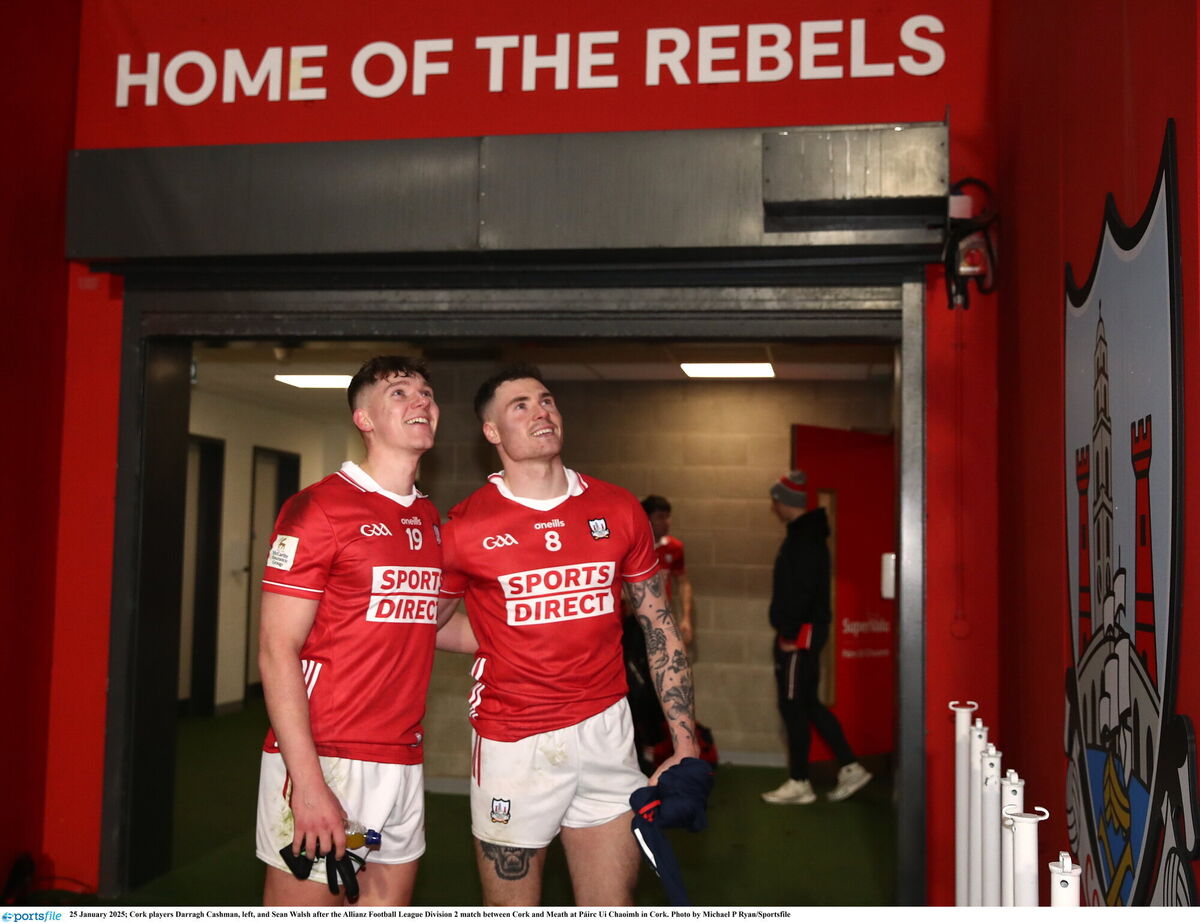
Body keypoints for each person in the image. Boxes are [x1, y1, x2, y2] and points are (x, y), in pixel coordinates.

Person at [438, 363, 698, 906]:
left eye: (547, 400)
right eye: (521, 406)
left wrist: (685, 740)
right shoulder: (465, 527)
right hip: (515, 740)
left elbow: (658, 625)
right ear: (492, 433)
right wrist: (501, 639)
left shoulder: (617, 508)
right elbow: (426, 625)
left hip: (607, 731)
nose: (542, 412)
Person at [254, 356, 452, 906]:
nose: (421, 402)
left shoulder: (431, 520)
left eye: (427, 393)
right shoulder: (318, 508)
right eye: (399, 392)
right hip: (328, 759)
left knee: (383, 902)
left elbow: (424, 624)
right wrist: (310, 784)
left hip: (402, 759)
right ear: (363, 418)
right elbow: (276, 649)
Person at [761, 470, 872, 805]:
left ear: (786, 502)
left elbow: (803, 591)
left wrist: (791, 633)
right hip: (801, 633)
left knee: (794, 705)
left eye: (775, 500)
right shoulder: (802, 535)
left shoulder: (805, 539)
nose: (773, 506)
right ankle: (850, 767)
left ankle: (800, 782)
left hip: (800, 636)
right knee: (806, 703)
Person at [640, 495, 694, 645]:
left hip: (662, 616)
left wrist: (686, 618)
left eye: (668, 517)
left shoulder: (674, 547)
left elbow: (683, 583)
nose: (666, 522)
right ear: (647, 519)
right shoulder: (635, 546)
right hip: (635, 619)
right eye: (660, 517)